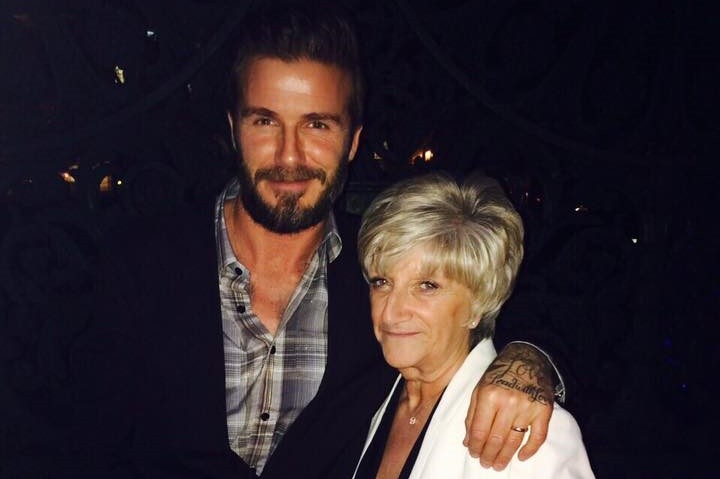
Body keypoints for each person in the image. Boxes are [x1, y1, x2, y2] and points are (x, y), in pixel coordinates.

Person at [72, 2, 564, 478]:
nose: (289, 156)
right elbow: (79, 442)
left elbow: (500, 296)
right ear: (234, 129)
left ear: (352, 141)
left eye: (317, 125)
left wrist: (528, 361)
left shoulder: (381, 271)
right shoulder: (139, 263)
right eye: (265, 121)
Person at [352, 173, 594, 479]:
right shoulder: (373, 397)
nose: (391, 311)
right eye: (382, 282)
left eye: (427, 286)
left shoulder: (526, 433)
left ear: (479, 302)